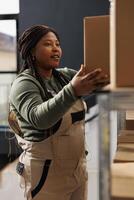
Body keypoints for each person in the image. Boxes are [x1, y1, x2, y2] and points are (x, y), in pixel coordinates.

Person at [8, 24, 109, 200]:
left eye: (57, 44)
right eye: (48, 44)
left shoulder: (63, 76)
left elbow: (102, 80)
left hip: (77, 169)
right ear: (32, 51)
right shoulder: (24, 83)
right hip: (46, 174)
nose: (56, 49)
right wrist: (72, 91)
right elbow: (39, 118)